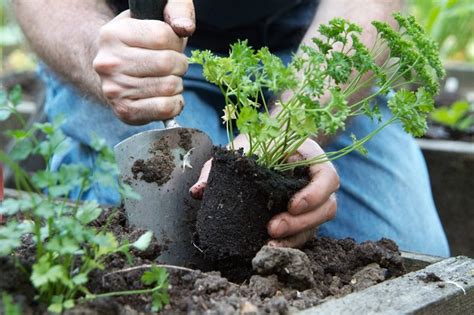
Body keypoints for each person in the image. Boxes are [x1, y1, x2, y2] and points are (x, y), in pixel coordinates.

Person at [13, 0, 450, 256]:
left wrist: (288, 132)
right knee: (170, 246)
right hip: (125, 48)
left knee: (415, 260)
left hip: (308, 58)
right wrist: (107, 55)